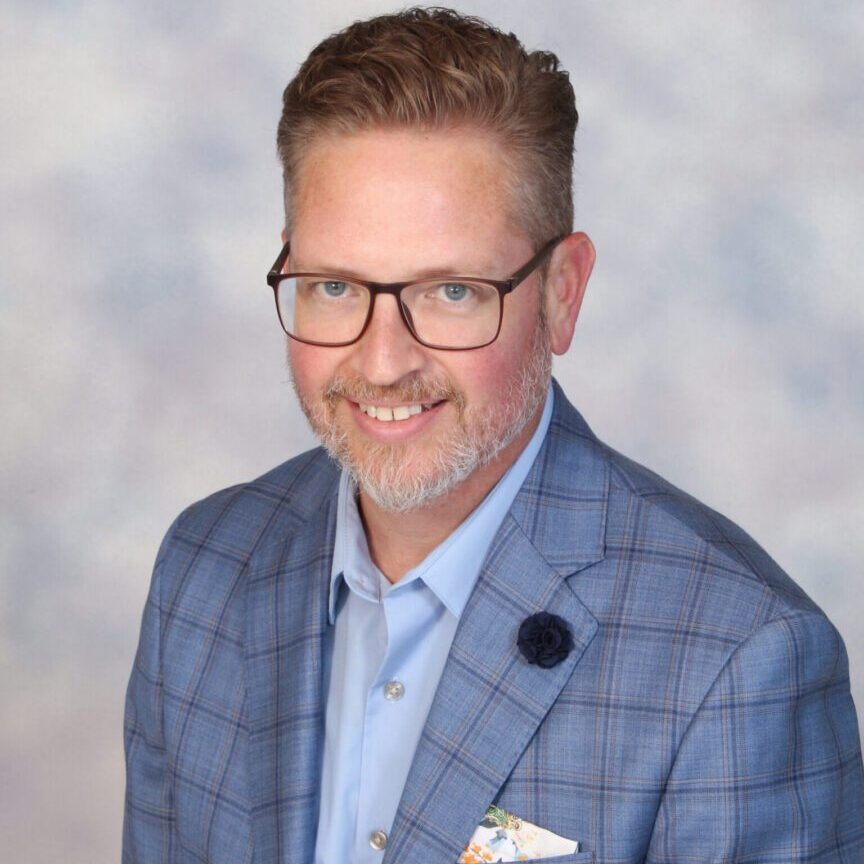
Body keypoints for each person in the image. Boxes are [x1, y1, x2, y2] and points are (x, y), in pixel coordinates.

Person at [123, 8, 864, 863]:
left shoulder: (740, 663)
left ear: (561, 293)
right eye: (333, 286)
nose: (384, 360)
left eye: (453, 292)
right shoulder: (202, 571)